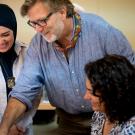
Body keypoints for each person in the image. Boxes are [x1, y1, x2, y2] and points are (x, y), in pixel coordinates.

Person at [0, 0, 135, 134]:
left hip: (110, 119)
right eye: (33, 23)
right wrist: (4, 128)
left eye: (42, 21)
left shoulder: (102, 32)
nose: (38, 29)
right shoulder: (38, 44)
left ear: (62, 12)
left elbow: (129, 78)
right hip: (69, 122)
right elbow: (24, 91)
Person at [0, 4, 41, 135]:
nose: (1, 41)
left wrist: (19, 126)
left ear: (14, 30)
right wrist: (3, 128)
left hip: (21, 129)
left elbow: (35, 95)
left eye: (5, 35)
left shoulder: (28, 53)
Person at [84, 54, 135, 135]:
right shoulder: (100, 113)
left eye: (91, 92)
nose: (85, 97)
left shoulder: (131, 128)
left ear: (111, 94)